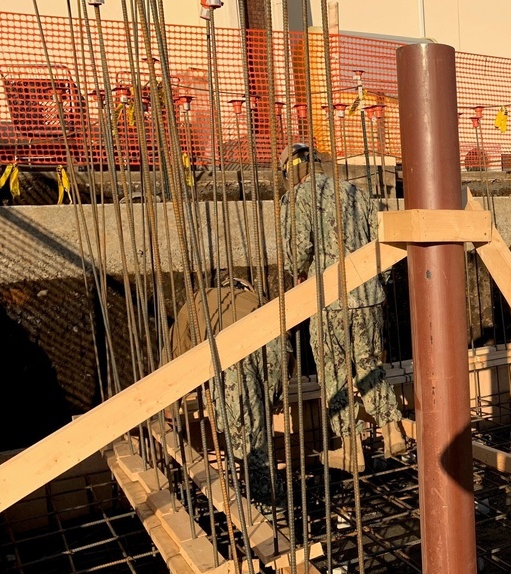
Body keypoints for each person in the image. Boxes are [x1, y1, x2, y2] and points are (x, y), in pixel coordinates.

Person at [278, 143, 407, 461]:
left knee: (334, 373)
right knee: (368, 365)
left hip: (328, 301)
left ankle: (352, 448)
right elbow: (385, 245)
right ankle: (392, 429)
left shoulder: (295, 198)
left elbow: (297, 250)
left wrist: (298, 273)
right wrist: (379, 286)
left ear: (291, 172)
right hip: (368, 297)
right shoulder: (359, 194)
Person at [170, 276, 285, 508]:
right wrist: (278, 396)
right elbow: (284, 350)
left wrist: (171, 409)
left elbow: (175, 358)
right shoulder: (262, 301)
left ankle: (270, 508)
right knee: (259, 428)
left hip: (234, 357)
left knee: (245, 441)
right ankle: (271, 497)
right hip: (273, 349)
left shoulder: (197, 303)